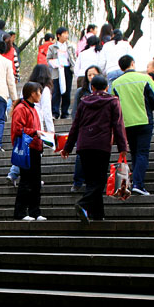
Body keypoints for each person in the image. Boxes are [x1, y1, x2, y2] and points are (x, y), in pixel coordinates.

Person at [60, 75, 128, 223]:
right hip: (101, 145)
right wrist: (123, 147)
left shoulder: (84, 102)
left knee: (91, 181)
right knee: (100, 181)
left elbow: (75, 125)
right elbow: (118, 125)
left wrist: (67, 147)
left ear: (92, 88)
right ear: (107, 88)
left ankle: (97, 215)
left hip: (84, 146)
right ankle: (83, 204)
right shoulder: (112, 101)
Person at [111, 55, 154, 196]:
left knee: (133, 151)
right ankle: (138, 184)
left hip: (126, 123)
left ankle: (134, 181)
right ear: (133, 63)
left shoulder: (116, 83)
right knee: (142, 152)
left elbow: (113, 105)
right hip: (144, 119)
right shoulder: (145, 78)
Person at [8, 65, 54, 186]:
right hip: (34, 132)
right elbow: (47, 112)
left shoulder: (28, 91)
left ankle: (14, 173)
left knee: (28, 165)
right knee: (29, 170)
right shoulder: (42, 92)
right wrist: (51, 132)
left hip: (33, 132)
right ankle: (16, 174)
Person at [11, 82, 47, 221]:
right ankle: (20, 212)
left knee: (36, 182)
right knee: (26, 181)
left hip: (35, 148)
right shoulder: (21, 108)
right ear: (32, 93)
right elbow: (17, 129)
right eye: (39, 92)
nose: (40, 95)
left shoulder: (33, 108)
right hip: (27, 148)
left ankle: (35, 211)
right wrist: (35, 132)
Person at [70, 65, 103, 190]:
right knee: (81, 155)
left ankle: (93, 182)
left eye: (94, 74)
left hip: (99, 130)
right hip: (83, 128)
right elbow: (75, 111)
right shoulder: (81, 91)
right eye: (89, 75)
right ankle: (77, 182)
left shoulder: (105, 91)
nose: (91, 77)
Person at [46, 27, 76, 119]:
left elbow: (74, 58)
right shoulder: (52, 47)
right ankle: (55, 112)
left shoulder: (70, 46)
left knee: (67, 92)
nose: (66, 35)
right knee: (56, 92)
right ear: (58, 35)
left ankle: (65, 112)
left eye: (67, 33)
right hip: (57, 71)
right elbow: (48, 59)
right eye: (64, 33)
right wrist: (56, 63)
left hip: (67, 70)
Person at [73, 35, 102, 100]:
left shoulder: (82, 53)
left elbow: (76, 68)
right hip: (96, 77)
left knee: (81, 98)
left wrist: (78, 76)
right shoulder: (100, 52)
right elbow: (101, 66)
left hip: (82, 76)